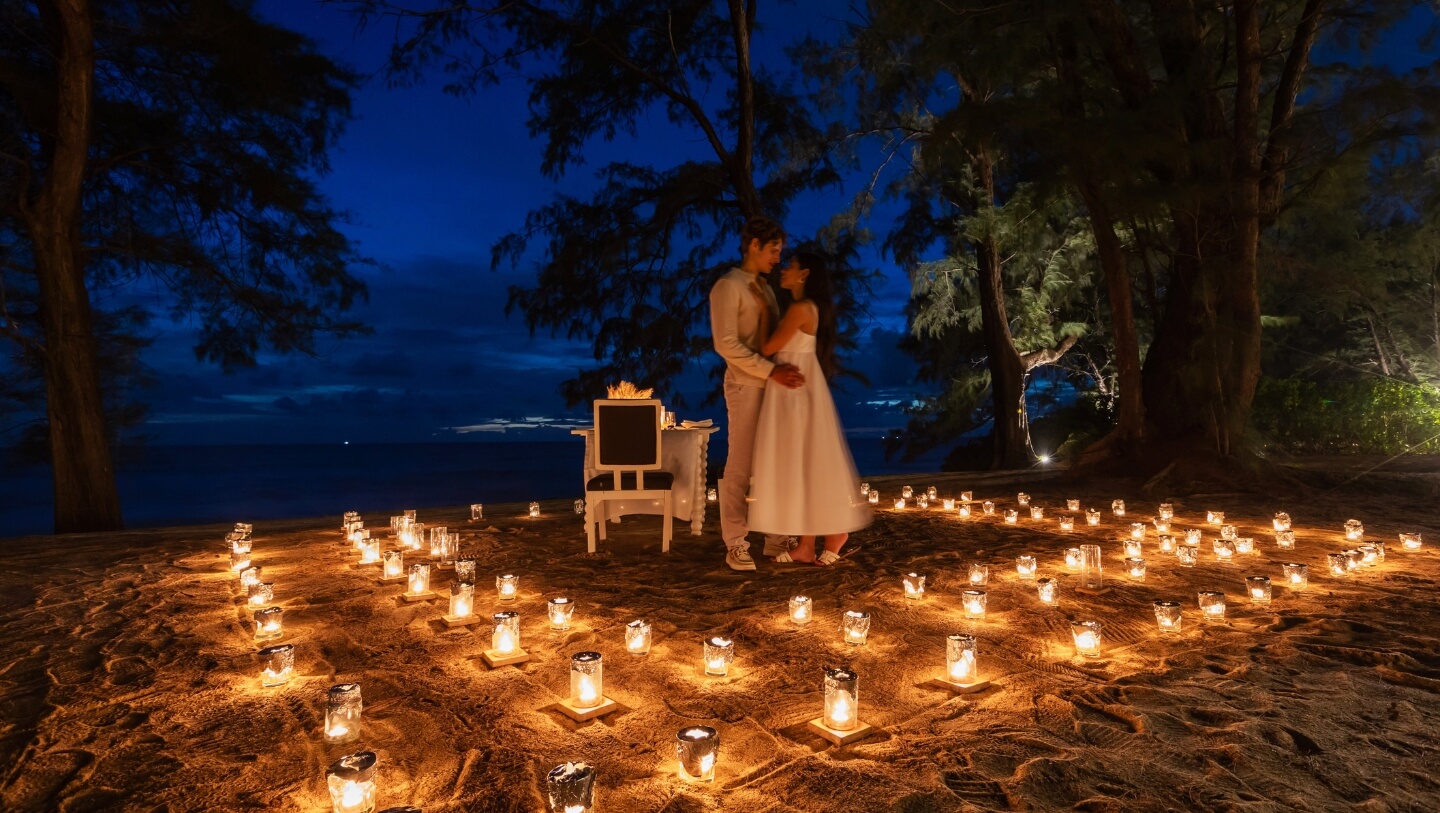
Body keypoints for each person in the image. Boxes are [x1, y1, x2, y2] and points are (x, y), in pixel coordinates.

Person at [747, 251, 870, 565]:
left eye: (791, 266)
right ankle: (807, 544)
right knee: (804, 464)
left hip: (796, 391)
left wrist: (762, 310)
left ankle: (833, 533)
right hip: (796, 387)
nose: (784, 270)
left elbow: (767, 348)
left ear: (804, 275)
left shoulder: (801, 309)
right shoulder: (804, 308)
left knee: (806, 461)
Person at [709, 216, 806, 571]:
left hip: (774, 386)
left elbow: (771, 339)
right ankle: (735, 542)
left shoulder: (765, 289)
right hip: (746, 384)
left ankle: (777, 539)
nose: (778, 258)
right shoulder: (727, 286)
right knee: (741, 464)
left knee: (776, 463)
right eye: (774, 250)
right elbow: (726, 344)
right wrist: (771, 371)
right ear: (754, 245)